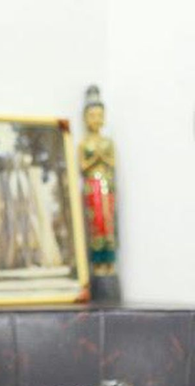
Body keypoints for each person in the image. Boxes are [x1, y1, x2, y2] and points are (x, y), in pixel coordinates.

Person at [78, 85, 117, 277]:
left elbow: (113, 163)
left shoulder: (108, 142)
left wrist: (104, 158)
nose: (96, 119)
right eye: (92, 115)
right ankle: (98, 264)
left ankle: (110, 263)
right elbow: (83, 166)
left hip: (107, 186)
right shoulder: (84, 143)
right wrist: (96, 158)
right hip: (92, 186)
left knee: (108, 223)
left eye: (99, 115)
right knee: (97, 224)